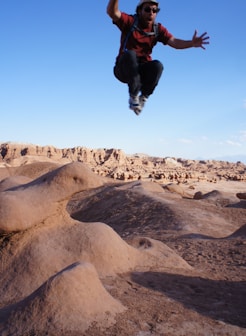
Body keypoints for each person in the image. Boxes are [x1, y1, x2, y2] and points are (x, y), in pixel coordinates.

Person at [107, 0, 210, 115]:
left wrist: (191, 43)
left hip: (141, 71)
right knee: (131, 55)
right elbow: (112, 12)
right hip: (123, 69)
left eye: (154, 10)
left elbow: (174, 42)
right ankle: (133, 95)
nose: (151, 13)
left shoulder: (157, 29)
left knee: (157, 65)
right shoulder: (130, 22)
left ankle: (143, 98)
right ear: (140, 11)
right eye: (147, 9)